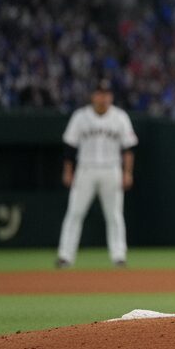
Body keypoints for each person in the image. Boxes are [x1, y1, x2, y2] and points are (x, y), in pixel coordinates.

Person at [56, 78, 138, 268]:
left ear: (111, 96)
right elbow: (69, 147)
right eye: (100, 93)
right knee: (75, 213)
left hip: (111, 169)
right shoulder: (80, 116)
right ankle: (65, 256)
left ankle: (119, 256)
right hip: (86, 169)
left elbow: (129, 148)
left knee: (115, 215)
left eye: (107, 94)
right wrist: (68, 171)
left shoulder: (120, 117)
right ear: (93, 96)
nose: (103, 97)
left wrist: (128, 172)